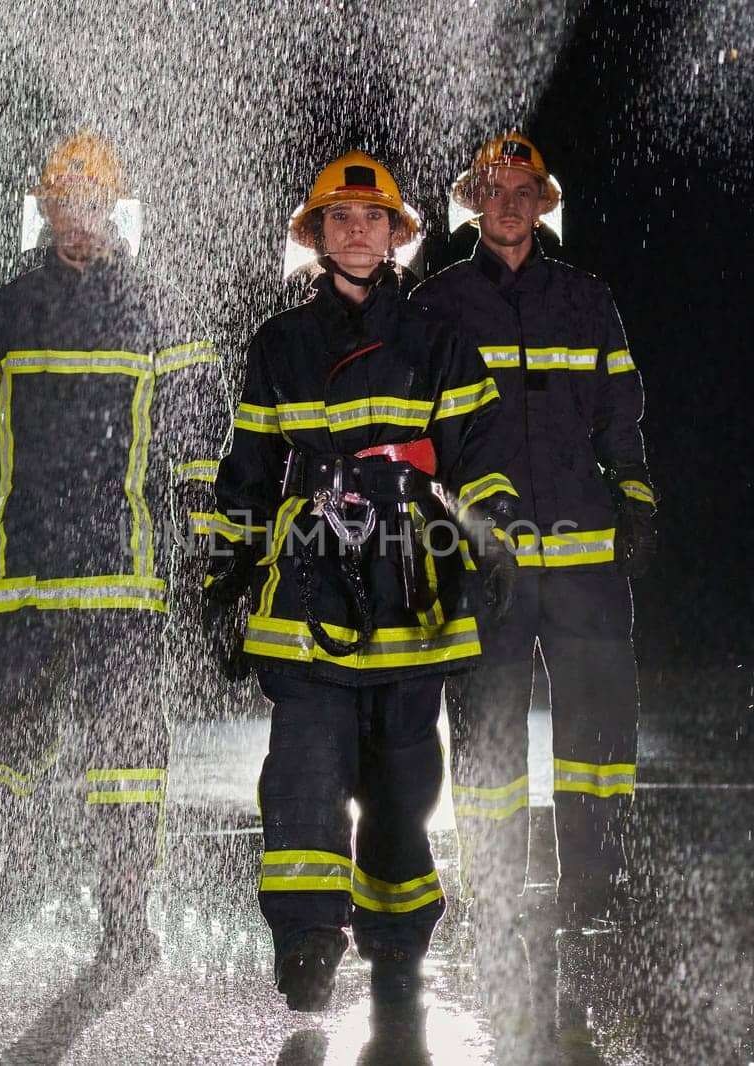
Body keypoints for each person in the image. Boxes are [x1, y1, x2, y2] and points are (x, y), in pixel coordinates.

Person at [198, 150, 519, 1014]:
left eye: (371, 218)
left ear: (395, 236)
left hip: (412, 582)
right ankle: (306, 937)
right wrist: (227, 570)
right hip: (310, 585)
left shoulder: (440, 341)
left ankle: (394, 935)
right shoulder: (280, 345)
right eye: (339, 219)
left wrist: (492, 540)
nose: (356, 231)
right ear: (317, 236)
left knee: (402, 779)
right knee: (304, 768)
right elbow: (252, 468)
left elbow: (480, 457)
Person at [0, 129, 224, 972]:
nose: (76, 218)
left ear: (113, 208)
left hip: (123, 575)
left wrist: (206, 543)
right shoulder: (3, 311)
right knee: (2, 744)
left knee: (125, 753)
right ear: (43, 208)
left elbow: (198, 437)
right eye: (62, 202)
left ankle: (124, 906)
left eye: (91, 202)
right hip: (16, 574)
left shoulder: (155, 310)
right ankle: (28, 849)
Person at [410, 132, 657, 965]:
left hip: (585, 554)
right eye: (493, 188)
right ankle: (495, 896)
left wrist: (636, 496)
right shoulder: (437, 305)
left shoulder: (589, 299)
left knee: (597, 738)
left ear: (544, 204)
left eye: (524, 190)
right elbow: (418, 430)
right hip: (487, 560)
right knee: (486, 735)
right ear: (473, 201)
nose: (508, 202)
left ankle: (592, 887)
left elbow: (622, 415)